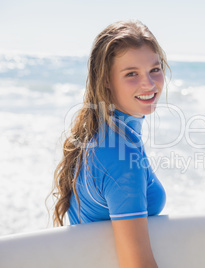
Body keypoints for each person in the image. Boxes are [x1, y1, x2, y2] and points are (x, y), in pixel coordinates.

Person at [50, 20, 169, 268]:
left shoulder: (103, 131)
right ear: (106, 80)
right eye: (131, 74)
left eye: (154, 69)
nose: (149, 84)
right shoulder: (120, 154)